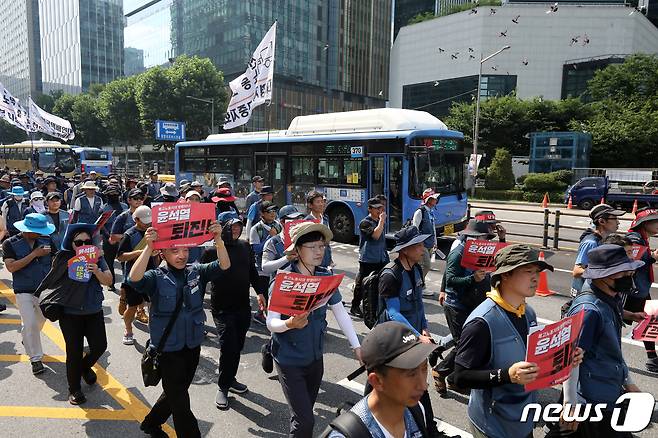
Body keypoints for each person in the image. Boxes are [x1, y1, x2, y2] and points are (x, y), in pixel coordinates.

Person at [453, 244, 582, 438]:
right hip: (493, 426)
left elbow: (534, 360)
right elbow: (460, 377)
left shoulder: (528, 312)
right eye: (528, 271)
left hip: (523, 418)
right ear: (505, 275)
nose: (535, 278)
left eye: (537, 272)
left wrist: (564, 358)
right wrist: (506, 375)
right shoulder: (482, 322)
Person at [128, 220, 230, 438]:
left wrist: (218, 240)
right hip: (168, 351)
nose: (182, 255)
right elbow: (134, 278)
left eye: (185, 249)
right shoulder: (155, 277)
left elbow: (224, 265)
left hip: (192, 346)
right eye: (175, 250)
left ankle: (150, 423)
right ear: (162, 252)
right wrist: (148, 246)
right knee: (182, 406)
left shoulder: (197, 271)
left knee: (177, 393)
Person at [266, 222, 361, 437]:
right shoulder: (283, 281)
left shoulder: (325, 277)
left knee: (304, 413)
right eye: (313, 247)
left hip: (315, 359)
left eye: (322, 246)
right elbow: (271, 323)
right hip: (289, 360)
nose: (319, 251)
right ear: (297, 250)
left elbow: (340, 311)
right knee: (305, 421)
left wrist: (357, 346)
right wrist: (289, 324)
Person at [561, 244, 643, 437]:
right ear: (603, 276)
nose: (628, 277)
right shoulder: (589, 311)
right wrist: (570, 405)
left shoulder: (609, 297)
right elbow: (570, 360)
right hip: (591, 399)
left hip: (607, 388)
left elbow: (611, 349)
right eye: (622, 273)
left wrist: (627, 381)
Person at [378, 225, 442, 436]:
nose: (423, 249)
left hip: (415, 338)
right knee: (387, 385)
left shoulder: (415, 270)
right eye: (419, 245)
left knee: (416, 385)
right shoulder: (391, 275)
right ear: (405, 249)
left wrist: (424, 329)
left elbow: (419, 304)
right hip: (397, 341)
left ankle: (429, 429)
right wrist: (417, 336)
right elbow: (393, 312)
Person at [325, 321, 438, 438]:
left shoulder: (416, 410)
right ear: (376, 381)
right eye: (411, 374)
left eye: (424, 368)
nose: (423, 385)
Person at [198, 211, 260, 409]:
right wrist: (196, 306)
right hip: (222, 308)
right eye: (230, 227)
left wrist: (261, 292)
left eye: (238, 227)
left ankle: (230, 379)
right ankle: (223, 387)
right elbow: (200, 279)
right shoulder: (210, 250)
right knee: (228, 347)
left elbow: (252, 272)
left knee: (237, 346)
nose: (235, 230)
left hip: (243, 306)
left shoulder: (245, 247)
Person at [45, 223, 112, 404]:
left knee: (99, 346)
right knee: (73, 352)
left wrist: (96, 270)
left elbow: (109, 280)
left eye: (87, 241)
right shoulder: (62, 258)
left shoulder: (98, 258)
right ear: (71, 243)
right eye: (78, 242)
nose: (83, 245)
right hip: (70, 313)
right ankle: (74, 389)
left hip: (93, 310)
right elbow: (53, 282)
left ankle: (83, 367)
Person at [433, 219, 492, 397]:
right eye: (482, 237)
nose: (485, 241)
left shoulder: (482, 253)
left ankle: (453, 379)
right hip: (456, 305)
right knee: (463, 344)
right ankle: (441, 371)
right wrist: (472, 279)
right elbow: (451, 279)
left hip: (473, 303)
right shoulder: (458, 253)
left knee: (471, 342)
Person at [2, 213, 56, 375]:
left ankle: (27, 338)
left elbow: (57, 260)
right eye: (36, 231)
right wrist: (34, 255)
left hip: (44, 289)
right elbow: (11, 267)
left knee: (39, 321)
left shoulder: (47, 240)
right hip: (23, 290)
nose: (40, 233)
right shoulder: (10, 243)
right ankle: (36, 359)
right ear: (26, 230)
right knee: (30, 323)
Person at [625, 207, 658, 373]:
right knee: (611, 324)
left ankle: (652, 358)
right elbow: (633, 265)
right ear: (644, 223)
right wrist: (653, 257)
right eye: (655, 221)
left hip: (640, 288)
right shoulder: (634, 238)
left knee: (650, 319)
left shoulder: (642, 237)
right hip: (632, 291)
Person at [116, 206, 155, 345]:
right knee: (132, 306)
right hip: (133, 277)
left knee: (153, 305)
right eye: (145, 221)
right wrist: (139, 253)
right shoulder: (129, 235)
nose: (147, 224)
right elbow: (120, 256)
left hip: (151, 274)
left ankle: (155, 332)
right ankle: (128, 329)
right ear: (136, 220)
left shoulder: (153, 232)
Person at [571, 204, 624, 295]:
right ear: (602, 221)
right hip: (585, 294)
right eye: (614, 219)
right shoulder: (591, 243)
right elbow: (577, 271)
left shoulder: (603, 240)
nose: (618, 222)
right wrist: (607, 272)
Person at [350, 197, 389, 317]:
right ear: (370, 209)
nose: (379, 210)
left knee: (380, 283)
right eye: (377, 208)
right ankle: (355, 306)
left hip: (381, 258)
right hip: (368, 259)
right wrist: (382, 221)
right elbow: (376, 235)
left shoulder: (378, 221)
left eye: (381, 208)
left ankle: (376, 306)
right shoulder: (365, 223)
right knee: (362, 284)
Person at [249, 201, 282, 325]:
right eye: (269, 211)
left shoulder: (278, 225)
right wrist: (271, 237)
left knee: (273, 291)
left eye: (274, 211)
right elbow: (256, 249)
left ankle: (268, 313)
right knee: (263, 292)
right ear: (262, 213)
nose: (273, 214)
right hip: (261, 267)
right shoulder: (256, 229)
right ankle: (260, 314)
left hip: (276, 265)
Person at [412, 188, 440, 297]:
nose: (436, 200)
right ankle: (420, 286)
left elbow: (433, 228)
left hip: (429, 243)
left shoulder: (431, 212)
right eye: (433, 198)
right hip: (421, 244)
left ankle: (417, 284)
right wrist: (418, 244)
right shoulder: (420, 212)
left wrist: (435, 242)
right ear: (428, 200)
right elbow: (415, 229)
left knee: (420, 266)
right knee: (426, 265)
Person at [100, 186, 128, 292]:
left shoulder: (125, 206)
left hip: (124, 238)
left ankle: (126, 284)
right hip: (109, 240)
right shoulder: (103, 208)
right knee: (109, 262)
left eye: (115, 194)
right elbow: (101, 225)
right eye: (111, 195)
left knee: (124, 262)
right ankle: (111, 283)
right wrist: (109, 237)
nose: (113, 196)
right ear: (107, 196)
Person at [305, 190, 333, 268]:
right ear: (310, 205)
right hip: (313, 261)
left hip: (326, 260)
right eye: (318, 202)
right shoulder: (307, 221)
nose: (321, 204)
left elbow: (327, 242)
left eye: (322, 202)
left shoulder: (325, 219)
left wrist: (330, 259)